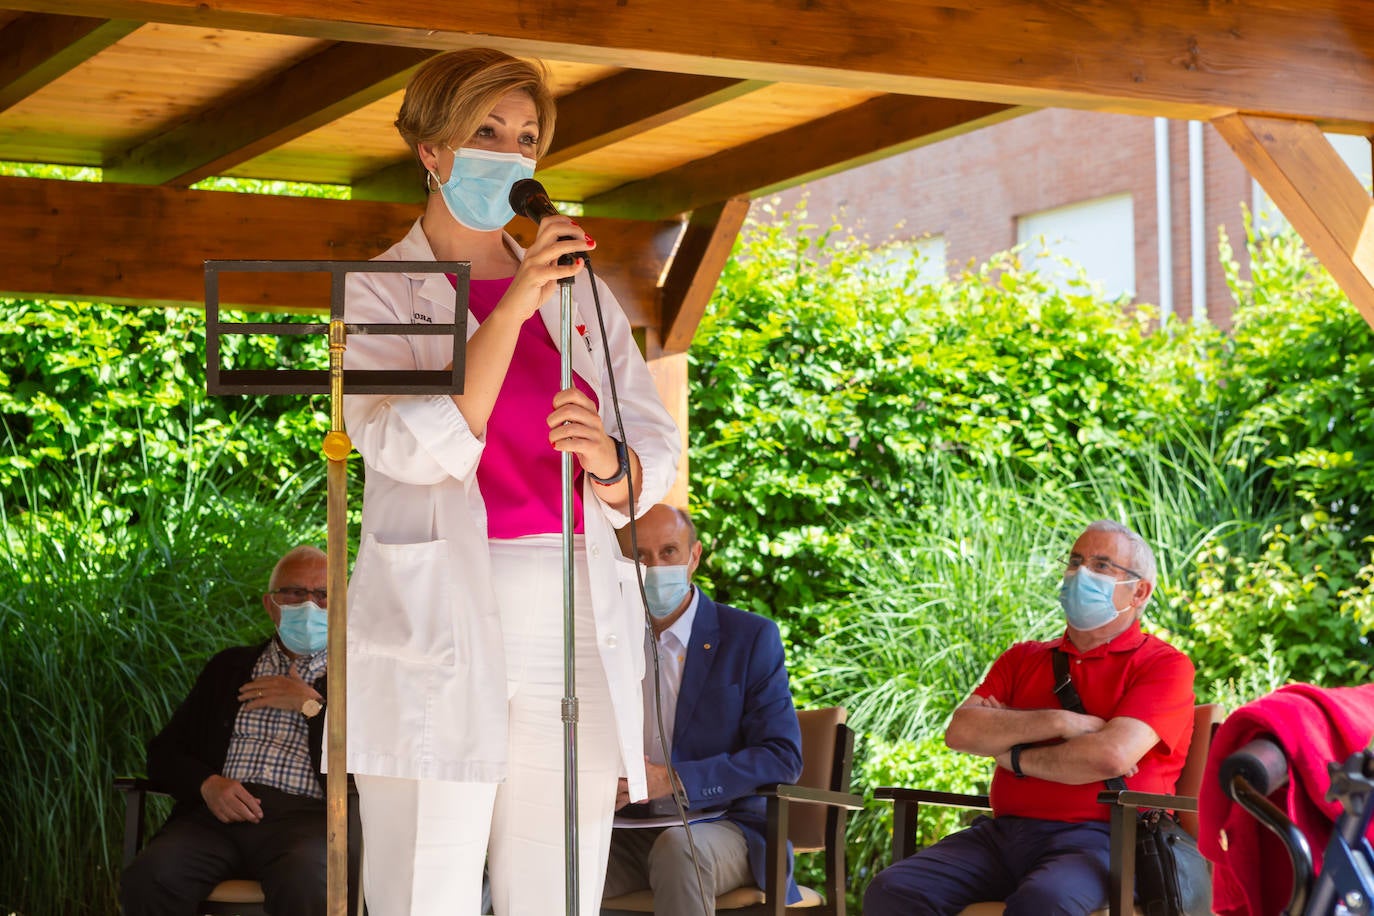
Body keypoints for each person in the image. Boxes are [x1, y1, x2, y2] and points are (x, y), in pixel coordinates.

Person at [341, 48, 681, 915]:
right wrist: (518, 300)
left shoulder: (584, 293)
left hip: (566, 598)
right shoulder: (384, 289)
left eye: (526, 137)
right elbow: (409, 449)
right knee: (426, 884)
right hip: (444, 606)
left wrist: (610, 462)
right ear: (431, 148)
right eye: (486, 130)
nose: (511, 152)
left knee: (557, 884)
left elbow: (652, 444)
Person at [864, 520, 1196, 916]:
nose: (1080, 573)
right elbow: (961, 731)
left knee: (1042, 904)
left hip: (1105, 840)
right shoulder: (1022, 658)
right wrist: (1060, 723)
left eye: (1102, 565)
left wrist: (1014, 757)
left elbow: (1110, 756)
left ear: (1139, 591)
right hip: (1004, 835)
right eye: (1074, 561)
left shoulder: (1164, 666)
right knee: (894, 890)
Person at [121, 545, 355, 916]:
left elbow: (363, 772)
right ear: (270, 604)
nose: (309, 605)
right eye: (293, 592)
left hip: (307, 822)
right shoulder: (229, 668)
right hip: (217, 819)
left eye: (324, 595)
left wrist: (311, 707)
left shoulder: (357, 675)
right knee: (152, 875)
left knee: (307, 879)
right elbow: (164, 753)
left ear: (341, 606)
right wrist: (208, 784)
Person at [602, 504, 804, 915]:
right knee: (544, 856)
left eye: (669, 552)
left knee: (679, 849)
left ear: (693, 557)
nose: (654, 567)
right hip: (618, 830)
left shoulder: (749, 638)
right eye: (639, 556)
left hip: (721, 825)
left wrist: (675, 780)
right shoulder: (599, 639)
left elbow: (782, 757)